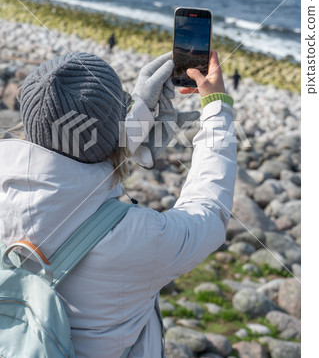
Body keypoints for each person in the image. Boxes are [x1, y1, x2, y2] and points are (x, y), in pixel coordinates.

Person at [0, 50, 236, 357]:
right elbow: (209, 212)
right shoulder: (139, 237)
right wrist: (218, 110)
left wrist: (136, 116)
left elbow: (64, 166)